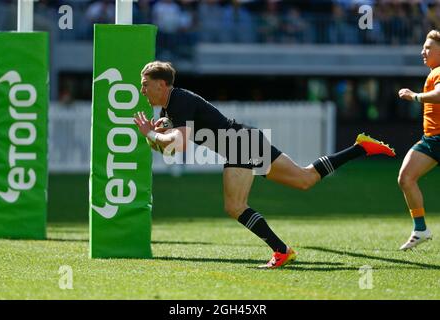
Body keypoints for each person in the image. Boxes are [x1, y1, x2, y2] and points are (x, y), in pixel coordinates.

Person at [134, 61, 396, 269]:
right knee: (305, 179)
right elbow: (168, 148)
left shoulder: (179, 100)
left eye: (145, 85)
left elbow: (178, 145)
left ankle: (281, 251)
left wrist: (150, 133)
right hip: (246, 140)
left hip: (239, 144)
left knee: (234, 206)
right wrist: (154, 136)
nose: (143, 90)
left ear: (162, 84)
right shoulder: (170, 108)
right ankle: (361, 147)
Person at [397, 30, 440, 250]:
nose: (423, 51)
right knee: (406, 178)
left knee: (406, 178)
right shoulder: (434, 72)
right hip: (432, 140)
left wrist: (414, 96)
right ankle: (420, 229)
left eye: (428, 47)